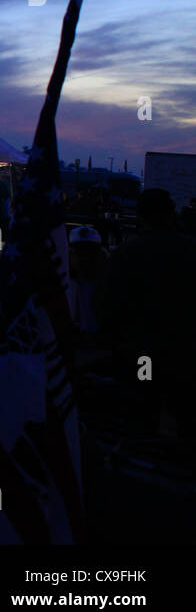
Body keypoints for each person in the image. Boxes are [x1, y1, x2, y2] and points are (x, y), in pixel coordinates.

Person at [99, 188, 196, 442]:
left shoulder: (125, 254)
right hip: (183, 352)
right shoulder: (190, 250)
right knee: (185, 413)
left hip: (141, 351)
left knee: (143, 408)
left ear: (141, 216)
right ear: (171, 213)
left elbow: (109, 307)